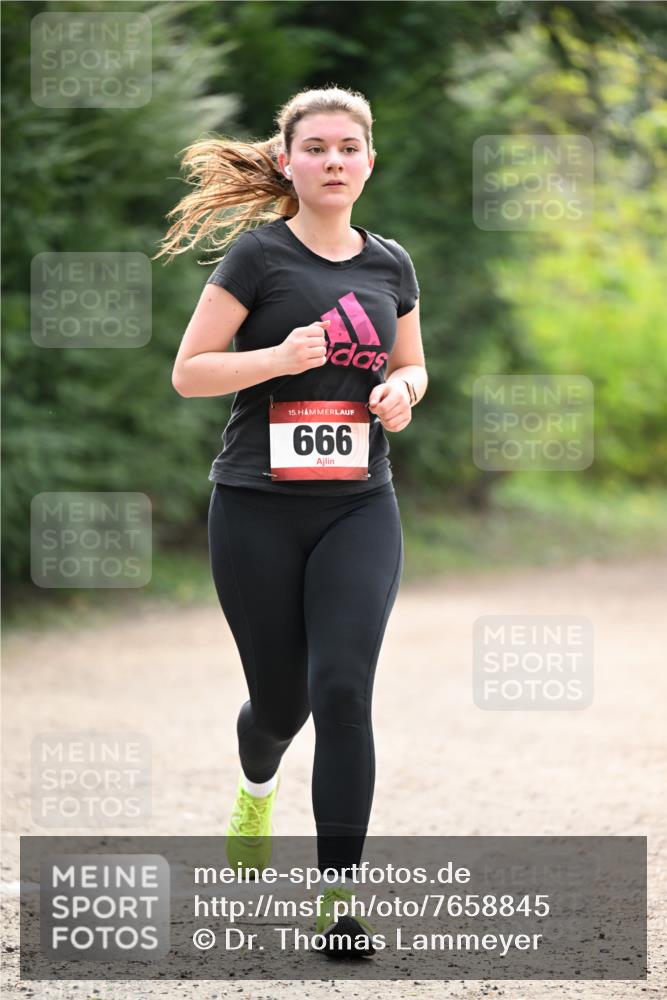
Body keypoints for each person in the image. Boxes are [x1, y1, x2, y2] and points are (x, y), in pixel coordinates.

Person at [158, 84, 427, 959]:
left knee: (342, 691)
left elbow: (413, 365)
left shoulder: (390, 264)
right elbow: (190, 371)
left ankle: (338, 904)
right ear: (287, 161)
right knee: (280, 706)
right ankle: (255, 785)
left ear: (368, 162)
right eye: (315, 147)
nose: (333, 161)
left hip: (358, 505)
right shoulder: (257, 257)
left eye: (348, 147)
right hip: (256, 507)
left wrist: (401, 392)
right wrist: (275, 358)